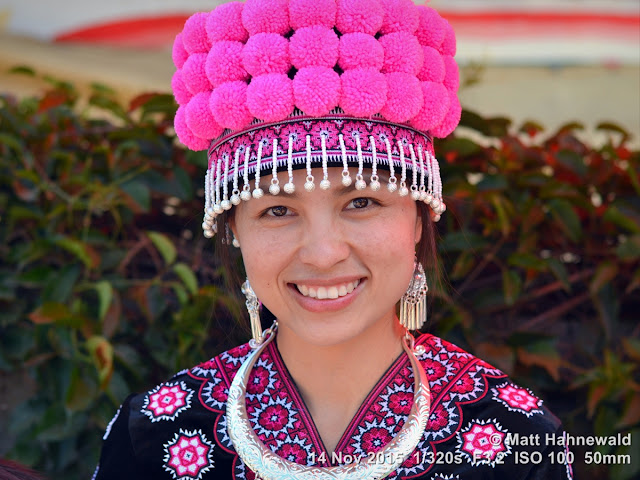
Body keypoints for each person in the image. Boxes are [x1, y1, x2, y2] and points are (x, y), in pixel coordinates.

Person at [94, 1, 574, 479]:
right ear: (234, 229)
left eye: (361, 202)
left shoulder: (513, 443)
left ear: (420, 219)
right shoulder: (154, 439)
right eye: (278, 210)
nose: (324, 254)